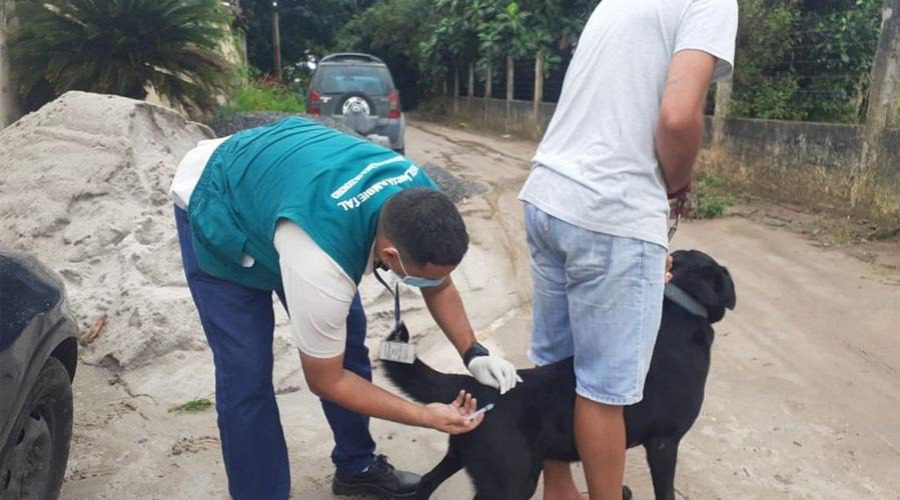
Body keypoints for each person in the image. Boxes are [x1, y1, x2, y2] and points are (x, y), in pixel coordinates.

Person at [169, 117, 520, 500]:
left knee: (348, 341)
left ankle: (357, 467)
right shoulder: (321, 261)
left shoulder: (418, 194)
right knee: (246, 376)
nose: (429, 282)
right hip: (221, 197)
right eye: (417, 275)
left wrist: (473, 353)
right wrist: (423, 415)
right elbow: (326, 380)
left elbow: (439, 282)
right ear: (390, 254)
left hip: (289, 182)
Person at [518, 1, 738, 498]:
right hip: (612, 206)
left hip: (549, 194)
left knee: (555, 367)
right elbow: (679, 118)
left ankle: (559, 488)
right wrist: (676, 186)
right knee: (603, 391)